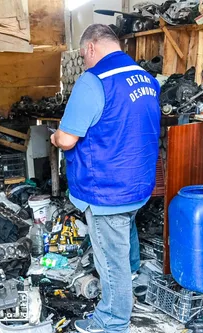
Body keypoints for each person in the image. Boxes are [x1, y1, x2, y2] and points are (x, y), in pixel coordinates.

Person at [51, 24, 160, 333]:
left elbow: (68, 138)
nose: (86, 62)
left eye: (85, 57)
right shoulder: (148, 79)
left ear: (91, 49)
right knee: (126, 237)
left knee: (110, 262)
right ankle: (133, 282)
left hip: (106, 190)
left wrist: (56, 138)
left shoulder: (94, 80)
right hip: (137, 184)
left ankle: (112, 321)